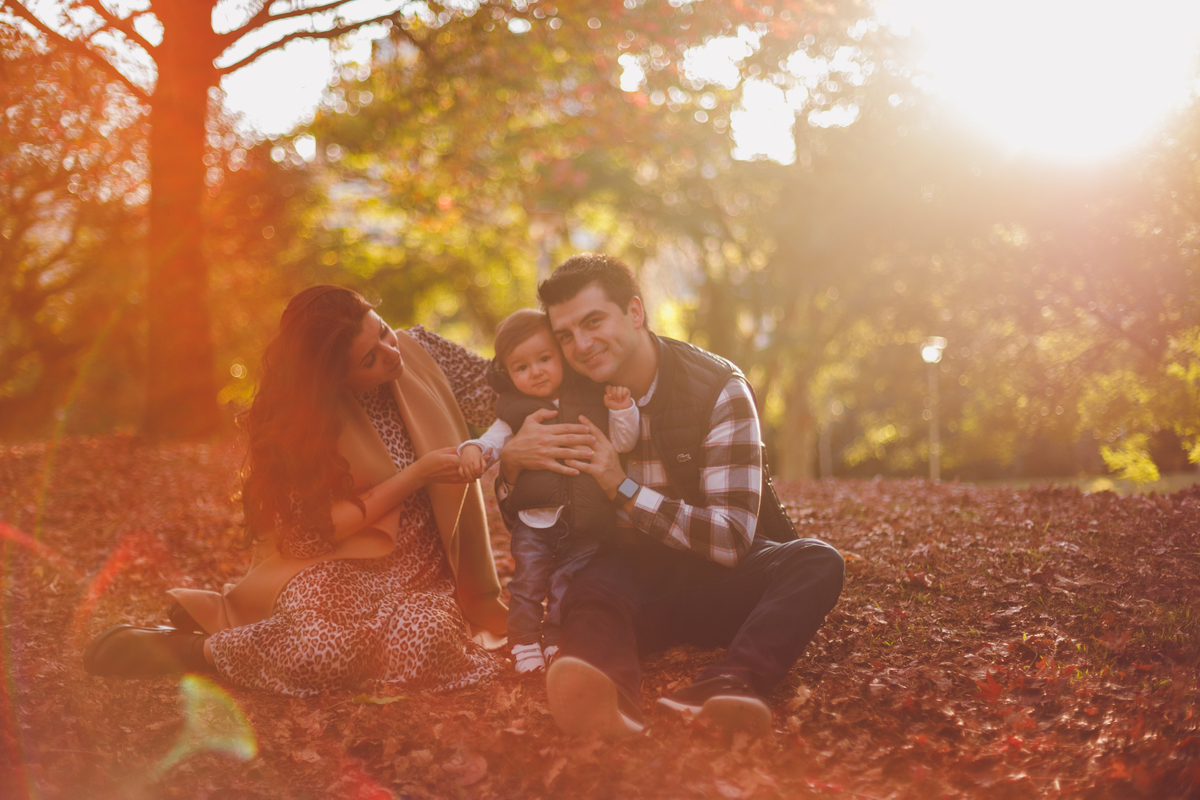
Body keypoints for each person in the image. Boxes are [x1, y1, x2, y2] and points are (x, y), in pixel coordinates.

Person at [84, 286, 508, 696]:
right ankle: (196, 651)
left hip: (423, 575)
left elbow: (507, 395)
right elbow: (313, 534)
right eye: (369, 360)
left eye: (382, 330)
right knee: (321, 649)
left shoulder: (423, 351)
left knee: (431, 638)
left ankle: (230, 628)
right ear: (333, 379)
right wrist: (415, 475)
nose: (391, 353)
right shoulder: (305, 423)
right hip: (340, 562)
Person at [496, 254, 845, 739]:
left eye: (593, 321)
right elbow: (535, 519)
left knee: (816, 560)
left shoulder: (719, 390)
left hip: (717, 582)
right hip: (629, 579)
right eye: (566, 335)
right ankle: (606, 704)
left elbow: (730, 540)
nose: (581, 345)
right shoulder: (563, 392)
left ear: (634, 312)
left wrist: (620, 486)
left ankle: (725, 688)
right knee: (588, 590)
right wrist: (510, 464)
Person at [457, 308, 639, 674]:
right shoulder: (513, 412)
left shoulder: (592, 396)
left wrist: (622, 410)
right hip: (533, 522)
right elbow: (494, 443)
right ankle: (523, 640)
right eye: (521, 367)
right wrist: (473, 450)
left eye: (544, 359)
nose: (536, 371)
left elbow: (623, 443)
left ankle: (557, 639)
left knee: (566, 585)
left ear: (561, 357)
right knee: (527, 583)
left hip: (585, 521)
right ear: (507, 374)